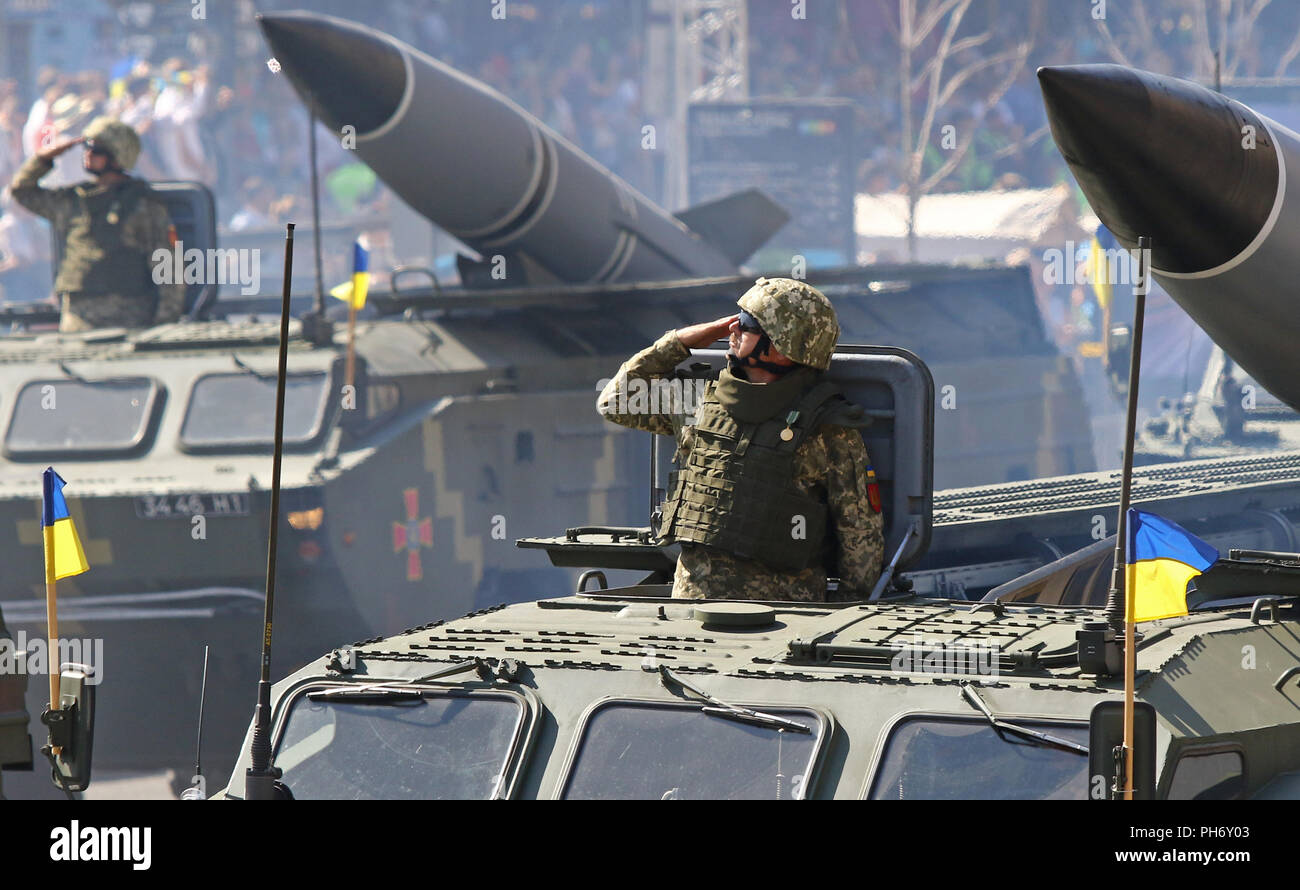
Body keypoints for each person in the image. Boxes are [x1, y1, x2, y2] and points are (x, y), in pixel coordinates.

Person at [598, 277, 885, 601]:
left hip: (786, 619)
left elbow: (859, 533)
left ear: (782, 345)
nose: (730, 329)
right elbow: (615, 401)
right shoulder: (697, 401)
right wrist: (678, 341)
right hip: (693, 611)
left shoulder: (828, 427)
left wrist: (845, 611)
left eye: (746, 324)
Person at [8, 116, 184, 331]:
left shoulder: (144, 206)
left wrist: (164, 324)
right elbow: (21, 191)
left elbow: (169, 268)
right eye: (87, 147)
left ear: (118, 157)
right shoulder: (73, 200)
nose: (88, 154)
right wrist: (43, 159)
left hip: (129, 318)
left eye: (98, 150)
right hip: (78, 318)